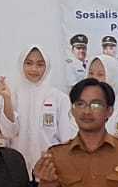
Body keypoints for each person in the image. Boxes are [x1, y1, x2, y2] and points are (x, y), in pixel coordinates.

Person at [9, 44, 78, 179]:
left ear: (47, 67)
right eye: (29, 63)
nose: (34, 69)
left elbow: (66, 138)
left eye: (40, 64)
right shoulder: (12, 96)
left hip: (49, 169)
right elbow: (8, 133)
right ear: (21, 65)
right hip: (18, 169)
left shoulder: (59, 98)